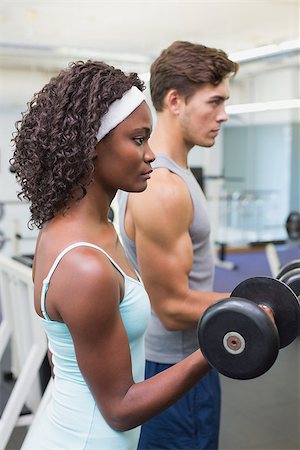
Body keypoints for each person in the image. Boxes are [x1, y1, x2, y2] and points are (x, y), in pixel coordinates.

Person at [11, 60, 212, 450]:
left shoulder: (87, 224)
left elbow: (65, 356)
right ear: (90, 146)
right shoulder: (84, 265)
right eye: (138, 140)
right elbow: (120, 407)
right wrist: (218, 347)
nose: (151, 155)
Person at [117, 41, 239, 450]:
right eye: (215, 100)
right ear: (175, 100)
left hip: (189, 358)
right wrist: (258, 306)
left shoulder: (174, 175)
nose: (223, 114)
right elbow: (171, 307)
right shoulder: (163, 188)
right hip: (172, 366)